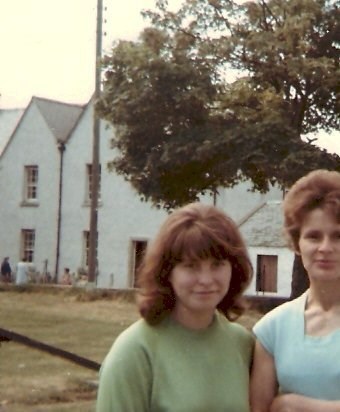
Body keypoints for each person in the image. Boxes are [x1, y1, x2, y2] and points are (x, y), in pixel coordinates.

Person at [96, 202, 254, 412]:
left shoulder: (242, 344)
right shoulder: (133, 352)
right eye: (191, 266)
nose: (206, 280)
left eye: (217, 265)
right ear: (166, 272)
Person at [250, 169, 340, 412]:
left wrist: (299, 405)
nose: (325, 247)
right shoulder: (273, 329)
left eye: (337, 236)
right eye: (313, 236)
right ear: (297, 242)